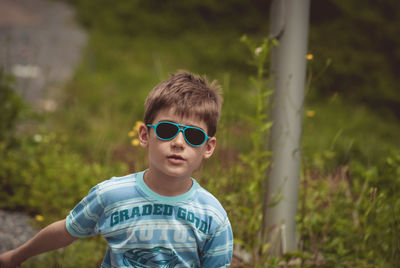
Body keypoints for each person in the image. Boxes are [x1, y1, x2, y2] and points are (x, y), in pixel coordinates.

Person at [0, 71, 233, 268]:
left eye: (193, 135)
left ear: (208, 147)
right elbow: (66, 230)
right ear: (145, 135)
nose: (179, 142)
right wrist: (17, 256)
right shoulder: (111, 195)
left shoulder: (212, 216)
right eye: (166, 130)